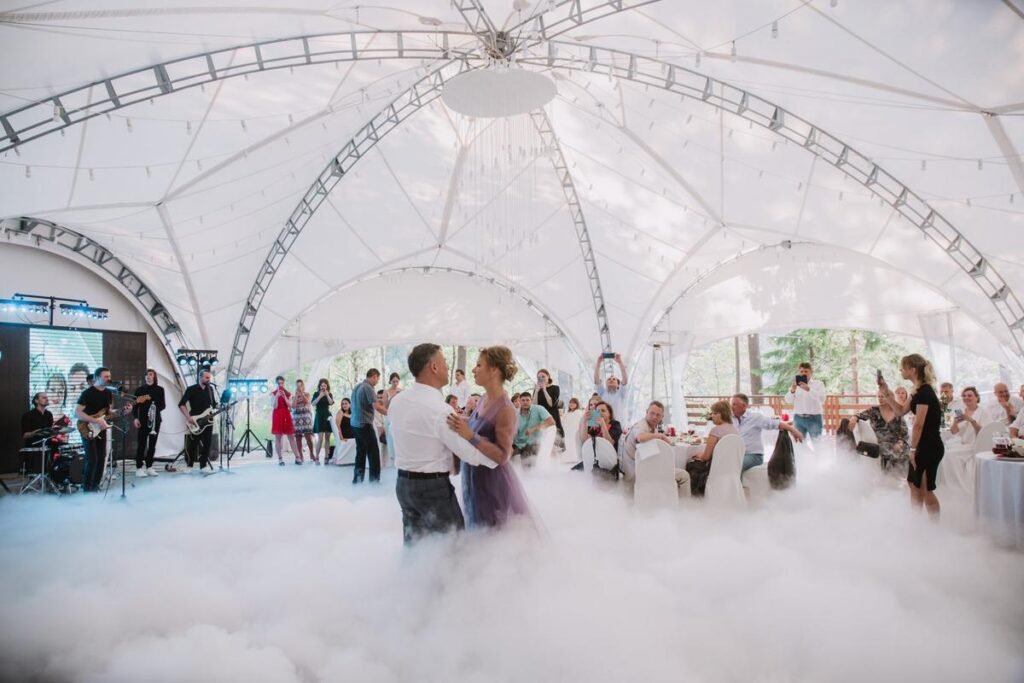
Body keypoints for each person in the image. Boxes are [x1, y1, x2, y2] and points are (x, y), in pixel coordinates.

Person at [389, 343, 502, 545]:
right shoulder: (440, 410)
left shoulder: (397, 401)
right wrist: (498, 458)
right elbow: (469, 453)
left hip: (403, 485)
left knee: (415, 547)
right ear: (433, 367)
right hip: (432, 489)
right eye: (444, 362)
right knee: (453, 549)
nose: (448, 367)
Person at [445, 346, 533, 529]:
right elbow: (479, 425)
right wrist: (459, 420)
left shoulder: (506, 409)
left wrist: (470, 435)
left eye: (479, 365)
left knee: (494, 533)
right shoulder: (484, 397)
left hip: (492, 483)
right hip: (474, 477)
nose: (473, 370)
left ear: (493, 370)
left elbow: (503, 455)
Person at [879, 354, 943, 519]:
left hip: (930, 446)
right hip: (923, 445)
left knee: (925, 490)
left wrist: (913, 450)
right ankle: (915, 524)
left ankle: (935, 528)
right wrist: (886, 393)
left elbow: (918, 424)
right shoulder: (916, 392)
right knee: (913, 485)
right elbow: (900, 411)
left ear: (913, 370)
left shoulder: (925, 392)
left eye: (903, 367)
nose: (900, 370)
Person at [730, 394, 803, 472]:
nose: (731, 407)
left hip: (753, 456)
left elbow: (776, 424)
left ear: (744, 406)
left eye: (734, 404)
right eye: (731, 404)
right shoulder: (730, 419)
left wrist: (794, 430)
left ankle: (734, 480)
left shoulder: (755, 417)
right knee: (726, 465)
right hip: (737, 455)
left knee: (735, 466)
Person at [684, 400, 739, 496]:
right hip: (731, 471)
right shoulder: (734, 430)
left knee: (691, 465)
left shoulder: (716, 430)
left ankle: (694, 499)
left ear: (721, 414)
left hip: (716, 471)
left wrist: (699, 455)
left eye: (714, 413)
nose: (711, 416)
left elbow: (706, 457)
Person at [75, 367, 116, 492]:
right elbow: (77, 413)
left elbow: (109, 413)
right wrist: (95, 421)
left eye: (109, 376)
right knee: (92, 459)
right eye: (106, 376)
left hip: (101, 429)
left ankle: (95, 487)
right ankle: (87, 488)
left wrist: (124, 411)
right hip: (87, 427)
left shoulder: (108, 393)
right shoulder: (87, 393)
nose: (109, 379)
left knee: (101, 458)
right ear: (97, 378)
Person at [855, 388, 911, 475]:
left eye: (883, 396)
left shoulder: (897, 412)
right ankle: (887, 476)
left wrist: (900, 442)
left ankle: (902, 476)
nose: (880, 398)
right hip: (881, 442)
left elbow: (904, 431)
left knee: (904, 450)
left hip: (897, 442)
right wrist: (854, 417)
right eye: (879, 396)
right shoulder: (874, 410)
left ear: (890, 398)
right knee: (888, 450)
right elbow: (860, 415)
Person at [178, 368, 219, 473]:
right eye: (206, 377)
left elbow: (214, 404)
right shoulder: (191, 389)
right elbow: (181, 404)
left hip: (208, 421)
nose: (208, 379)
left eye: (209, 377)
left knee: (207, 443)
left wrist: (223, 406)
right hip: (195, 421)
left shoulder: (210, 389)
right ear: (200, 377)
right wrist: (188, 417)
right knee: (193, 444)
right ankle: (189, 465)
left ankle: (203, 465)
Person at [620, 400, 670, 483]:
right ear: (647, 412)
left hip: (642, 468)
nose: (654, 417)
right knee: (684, 476)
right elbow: (640, 437)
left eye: (658, 415)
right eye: (652, 413)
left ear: (662, 417)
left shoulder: (652, 427)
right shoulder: (641, 425)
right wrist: (660, 436)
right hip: (634, 473)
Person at [350, 369, 384, 484]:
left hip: (355, 424)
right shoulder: (368, 387)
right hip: (364, 424)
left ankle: (357, 480)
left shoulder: (358, 386)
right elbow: (377, 407)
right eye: (377, 379)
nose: (377, 381)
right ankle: (374, 481)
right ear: (374, 376)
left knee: (361, 452)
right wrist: (390, 412)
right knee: (373, 452)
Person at [133, 369, 165, 478]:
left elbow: (163, 405)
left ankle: (149, 466)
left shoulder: (160, 390)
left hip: (155, 421)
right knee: (141, 444)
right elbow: (134, 406)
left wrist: (153, 410)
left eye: (150, 374)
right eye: (146, 374)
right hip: (142, 420)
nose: (148, 376)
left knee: (152, 445)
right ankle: (139, 468)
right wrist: (135, 418)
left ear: (154, 377)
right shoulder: (139, 390)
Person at [784, 362, 826, 439]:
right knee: (799, 443)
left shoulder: (819, 384)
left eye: (806, 371)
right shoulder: (795, 385)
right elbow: (788, 400)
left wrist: (809, 389)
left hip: (814, 418)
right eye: (801, 371)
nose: (803, 373)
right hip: (798, 418)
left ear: (811, 372)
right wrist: (792, 390)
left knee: (817, 443)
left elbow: (822, 398)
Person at [513, 392, 555, 466]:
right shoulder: (515, 413)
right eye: (523, 400)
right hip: (518, 443)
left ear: (531, 400)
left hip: (533, 443)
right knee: (506, 457)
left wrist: (534, 429)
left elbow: (551, 422)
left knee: (527, 465)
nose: (525, 402)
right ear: (519, 401)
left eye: (527, 400)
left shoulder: (539, 409)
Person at [270, 376, 299, 466]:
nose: (280, 385)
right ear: (276, 384)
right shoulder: (273, 393)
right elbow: (274, 406)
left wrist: (284, 396)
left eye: (282, 383)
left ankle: (297, 457)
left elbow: (291, 406)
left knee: (291, 436)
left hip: (286, 414)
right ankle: (280, 459)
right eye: (279, 383)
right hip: (277, 415)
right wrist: (277, 396)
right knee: (278, 437)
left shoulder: (287, 393)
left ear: (284, 383)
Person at [593, 353, 629, 422]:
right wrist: (598, 362)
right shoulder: (602, 392)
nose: (611, 380)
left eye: (614, 379)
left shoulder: (621, 393)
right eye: (609, 379)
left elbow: (625, 379)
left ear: (618, 385)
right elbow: (596, 379)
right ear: (605, 384)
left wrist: (620, 362)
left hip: (617, 424)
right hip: (604, 423)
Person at [532, 368, 564, 439]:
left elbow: (551, 404)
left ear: (548, 376)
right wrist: (536, 391)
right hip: (541, 419)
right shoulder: (537, 389)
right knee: (542, 441)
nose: (541, 378)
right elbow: (534, 406)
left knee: (554, 439)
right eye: (539, 377)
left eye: (543, 376)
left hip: (552, 417)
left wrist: (544, 390)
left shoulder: (555, 388)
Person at [292, 379, 316, 464]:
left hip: (306, 417)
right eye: (297, 385)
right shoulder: (294, 396)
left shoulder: (307, 394)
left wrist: (302, 393)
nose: (299, 387)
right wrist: (296, 396)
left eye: (300, 385)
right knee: (298, 437)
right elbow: (293, 406)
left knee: (308, 437)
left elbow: (307, 402)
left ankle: (311, 454)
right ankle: (300, 455)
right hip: (297, 418)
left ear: (303, 386)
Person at [312, 379, 334, 463]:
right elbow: (313, 404)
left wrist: (327, 394)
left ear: (327, 386)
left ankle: (326, 456)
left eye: (325, 385)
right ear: (319, 386)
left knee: (327, 438)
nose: (323, 387)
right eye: (322, 385)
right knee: (320, 438)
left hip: (327, 415)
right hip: (319, 416)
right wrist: (320, 396)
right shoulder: (316, 394)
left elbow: (331, 403)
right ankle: (317, 456)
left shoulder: (329, 394)